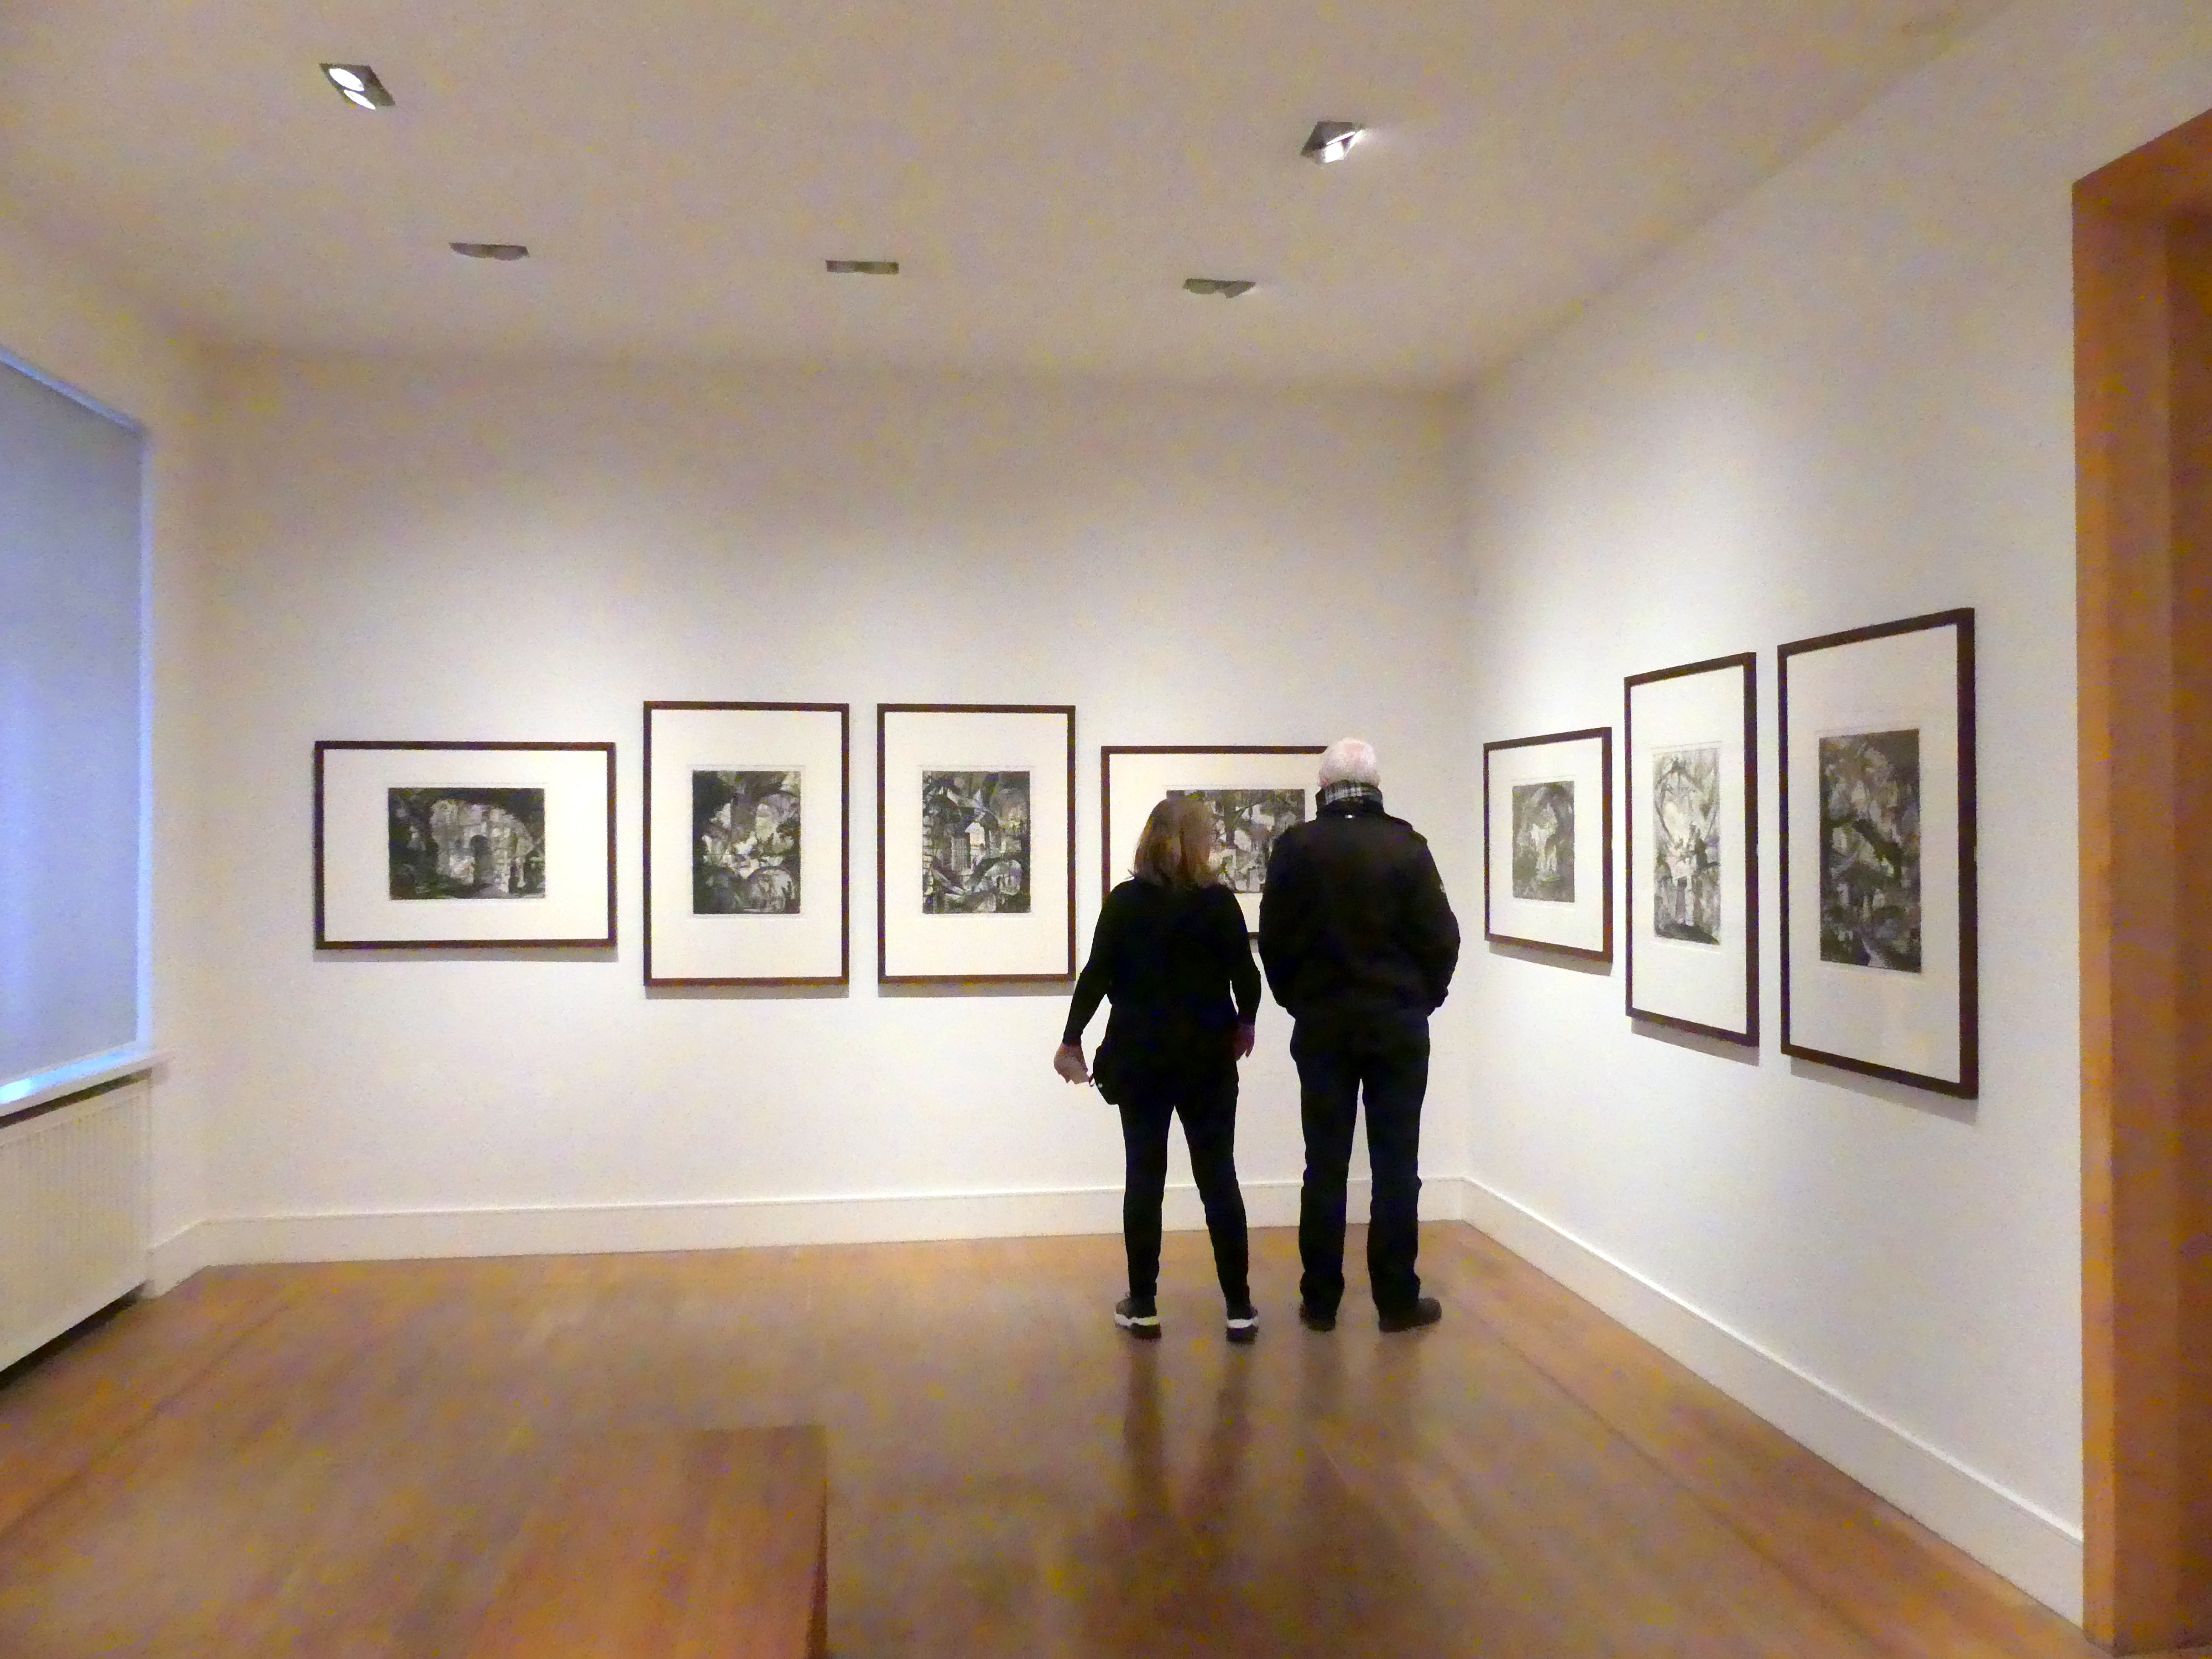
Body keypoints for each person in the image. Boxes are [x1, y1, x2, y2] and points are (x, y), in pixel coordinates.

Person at [1259, 738, 1459, 1332]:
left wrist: (1298, 1001)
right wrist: (1421, 1000)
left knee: (1323, 1165)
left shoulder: (1297, 848)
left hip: (1323, 1025)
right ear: (1376, 786)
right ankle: (1396, 1299)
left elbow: (1274, 939)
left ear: (1323, 786)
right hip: (1397, 1025)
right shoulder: (1407, 847)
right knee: (1397, 1165)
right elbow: (1442, 939)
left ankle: (1320, 1300)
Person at [1056, 797, 1262, 1343]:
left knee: (1144, 1179)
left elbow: (1096, 976)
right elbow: (1247, 977)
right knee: (1218, 1178)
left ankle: (1143, 1304)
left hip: (1141, 1058)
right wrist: (1245, 1023)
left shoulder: (1125, 903)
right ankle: (1239, 1307)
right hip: (1207, 1060)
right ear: (1201, 843)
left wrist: (1071, 1039)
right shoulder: (1218, 904)